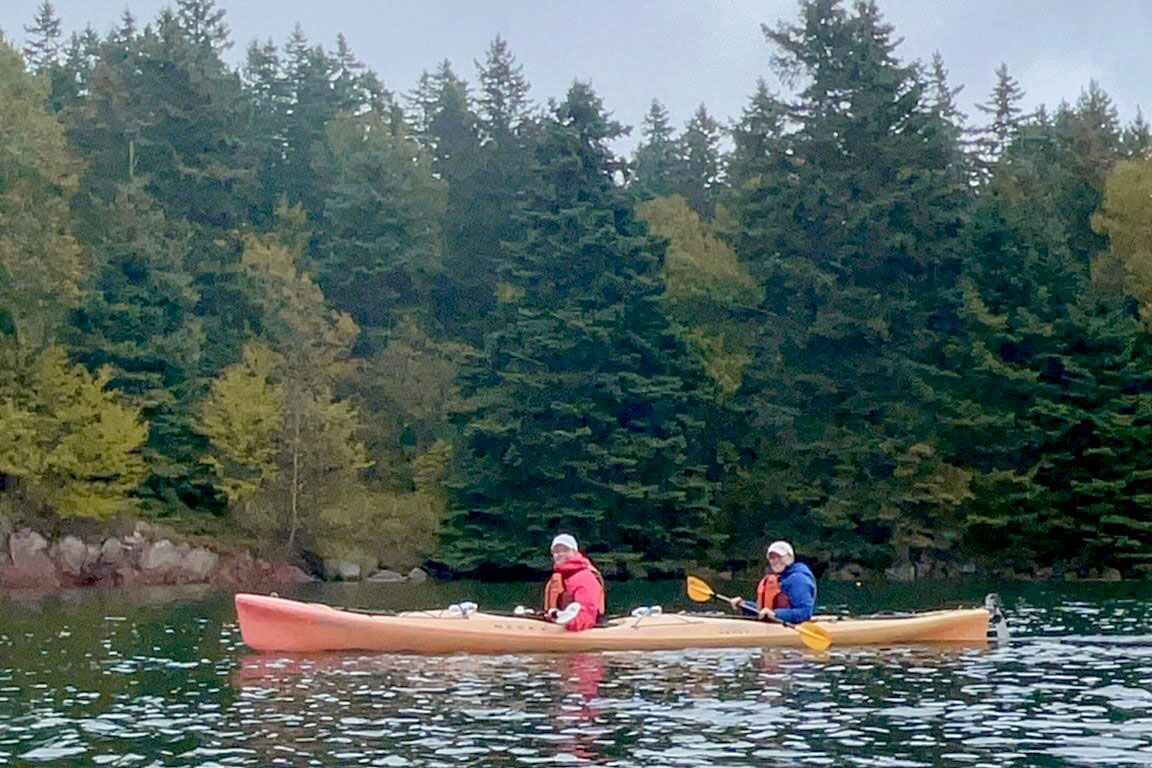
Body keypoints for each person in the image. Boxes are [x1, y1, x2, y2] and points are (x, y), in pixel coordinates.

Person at [728, 540, 816, 624]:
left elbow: (804, 613)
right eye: (772, 557)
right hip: (776, 624)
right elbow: (766, 609)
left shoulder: (799, 579)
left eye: (780, 557)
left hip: (789, 627)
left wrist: (776, 614)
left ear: (790, 558)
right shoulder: (778, 578)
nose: (776, 560)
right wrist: (744, 605)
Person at [542, 534, 605, 631]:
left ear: (575, 552)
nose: (560, 554)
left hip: (578, 628)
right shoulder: (558, 577)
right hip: (559, 625)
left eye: (565, 550)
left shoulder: (585, 577)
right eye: (556, 551)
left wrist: (568, 624)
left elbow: (587, 615)